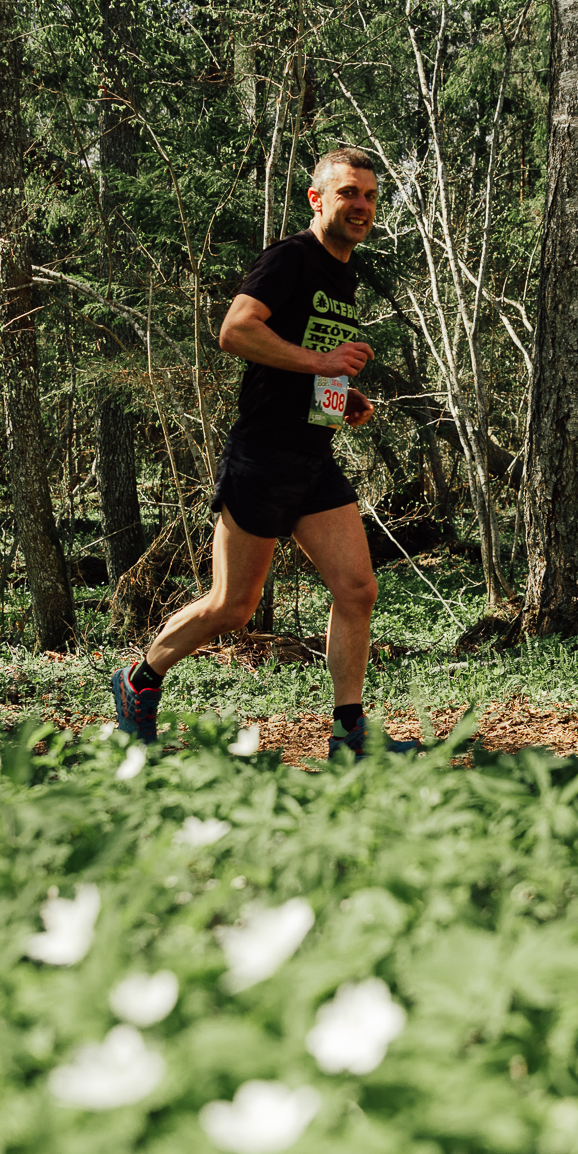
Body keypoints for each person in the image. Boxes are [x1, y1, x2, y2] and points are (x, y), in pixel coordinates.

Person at [111, 148, 415, 758]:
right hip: (263, 455)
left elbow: (299, 354)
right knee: (233, 607)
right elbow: (237, 331)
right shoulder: (290, 258)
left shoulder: (343, 273)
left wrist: (339, 395)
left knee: (357, 589)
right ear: (317, 199)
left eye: (370, 196)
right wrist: (324, 363)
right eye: (349, 193)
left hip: (313, 455)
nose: (361, 206)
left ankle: (350, 738)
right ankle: (139, 680)